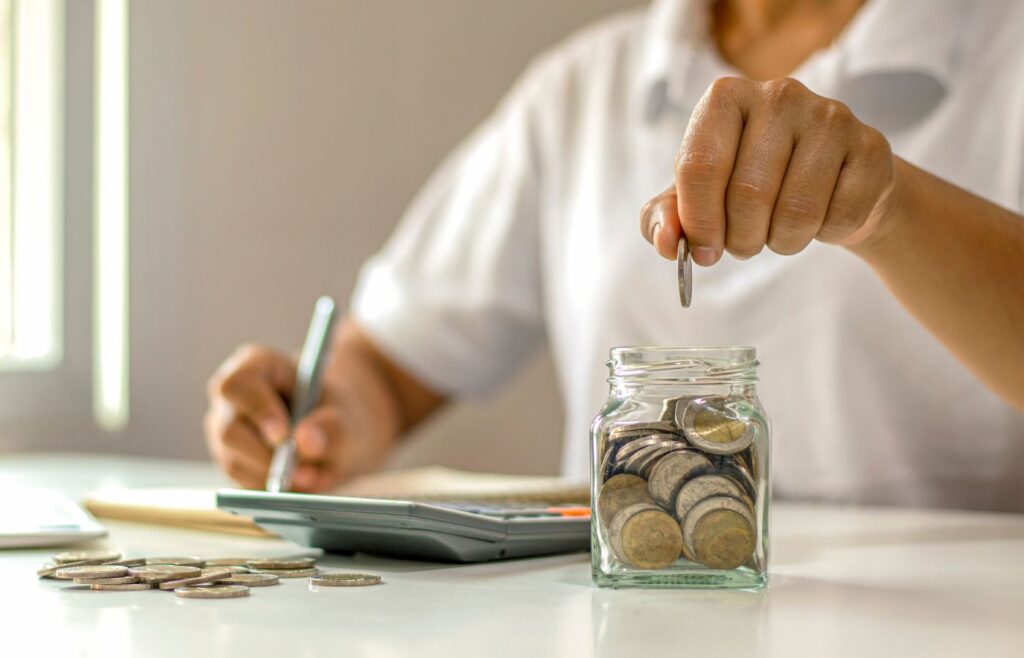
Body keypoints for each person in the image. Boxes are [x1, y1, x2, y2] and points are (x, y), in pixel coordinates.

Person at [204, 0, 1024, 511]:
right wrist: (321, 414)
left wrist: (889, 210)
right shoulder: (580, 87)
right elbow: (387, 364)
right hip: (626, 622)